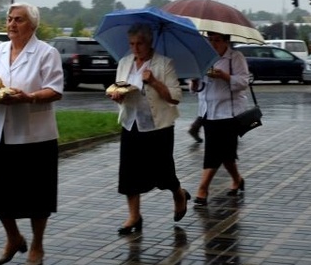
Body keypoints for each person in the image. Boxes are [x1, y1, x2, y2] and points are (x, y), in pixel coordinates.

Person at [0, 2, 63, 265]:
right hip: (1, 132)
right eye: (9, 19)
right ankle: (13, 237)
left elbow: (56, 89)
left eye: (19, 20)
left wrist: (30, 97)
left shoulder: (47, 53)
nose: (12, 24)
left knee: (37, 196)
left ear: (32, 25)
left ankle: (37, 245)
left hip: (35, 135)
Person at [107, 23, 190, 235]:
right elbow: (120, 90)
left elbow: (175, 97)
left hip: (158, 126)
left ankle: (178, 193)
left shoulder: (164, 64)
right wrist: (118, 97)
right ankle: (134, 216)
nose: (135, 48)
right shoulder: (125, 63)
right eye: (132, 44)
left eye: (140, 43)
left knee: (163, 172)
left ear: (149, 42)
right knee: (129, 172)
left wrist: (153, 81)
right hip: (131, 123)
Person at [189, 32, 249, 206]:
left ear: (226, 41)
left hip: (229, 113)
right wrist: (194, 81)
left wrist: (224, 76)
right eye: (210, 40)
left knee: (214, 151)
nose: (213, 44)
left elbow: (243, 82)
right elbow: (197, 86)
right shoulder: (202, 57)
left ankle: (203, 189)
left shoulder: (235, 57)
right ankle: (237, 179)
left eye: (217, 40)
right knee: (226, 153)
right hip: (208, 112)